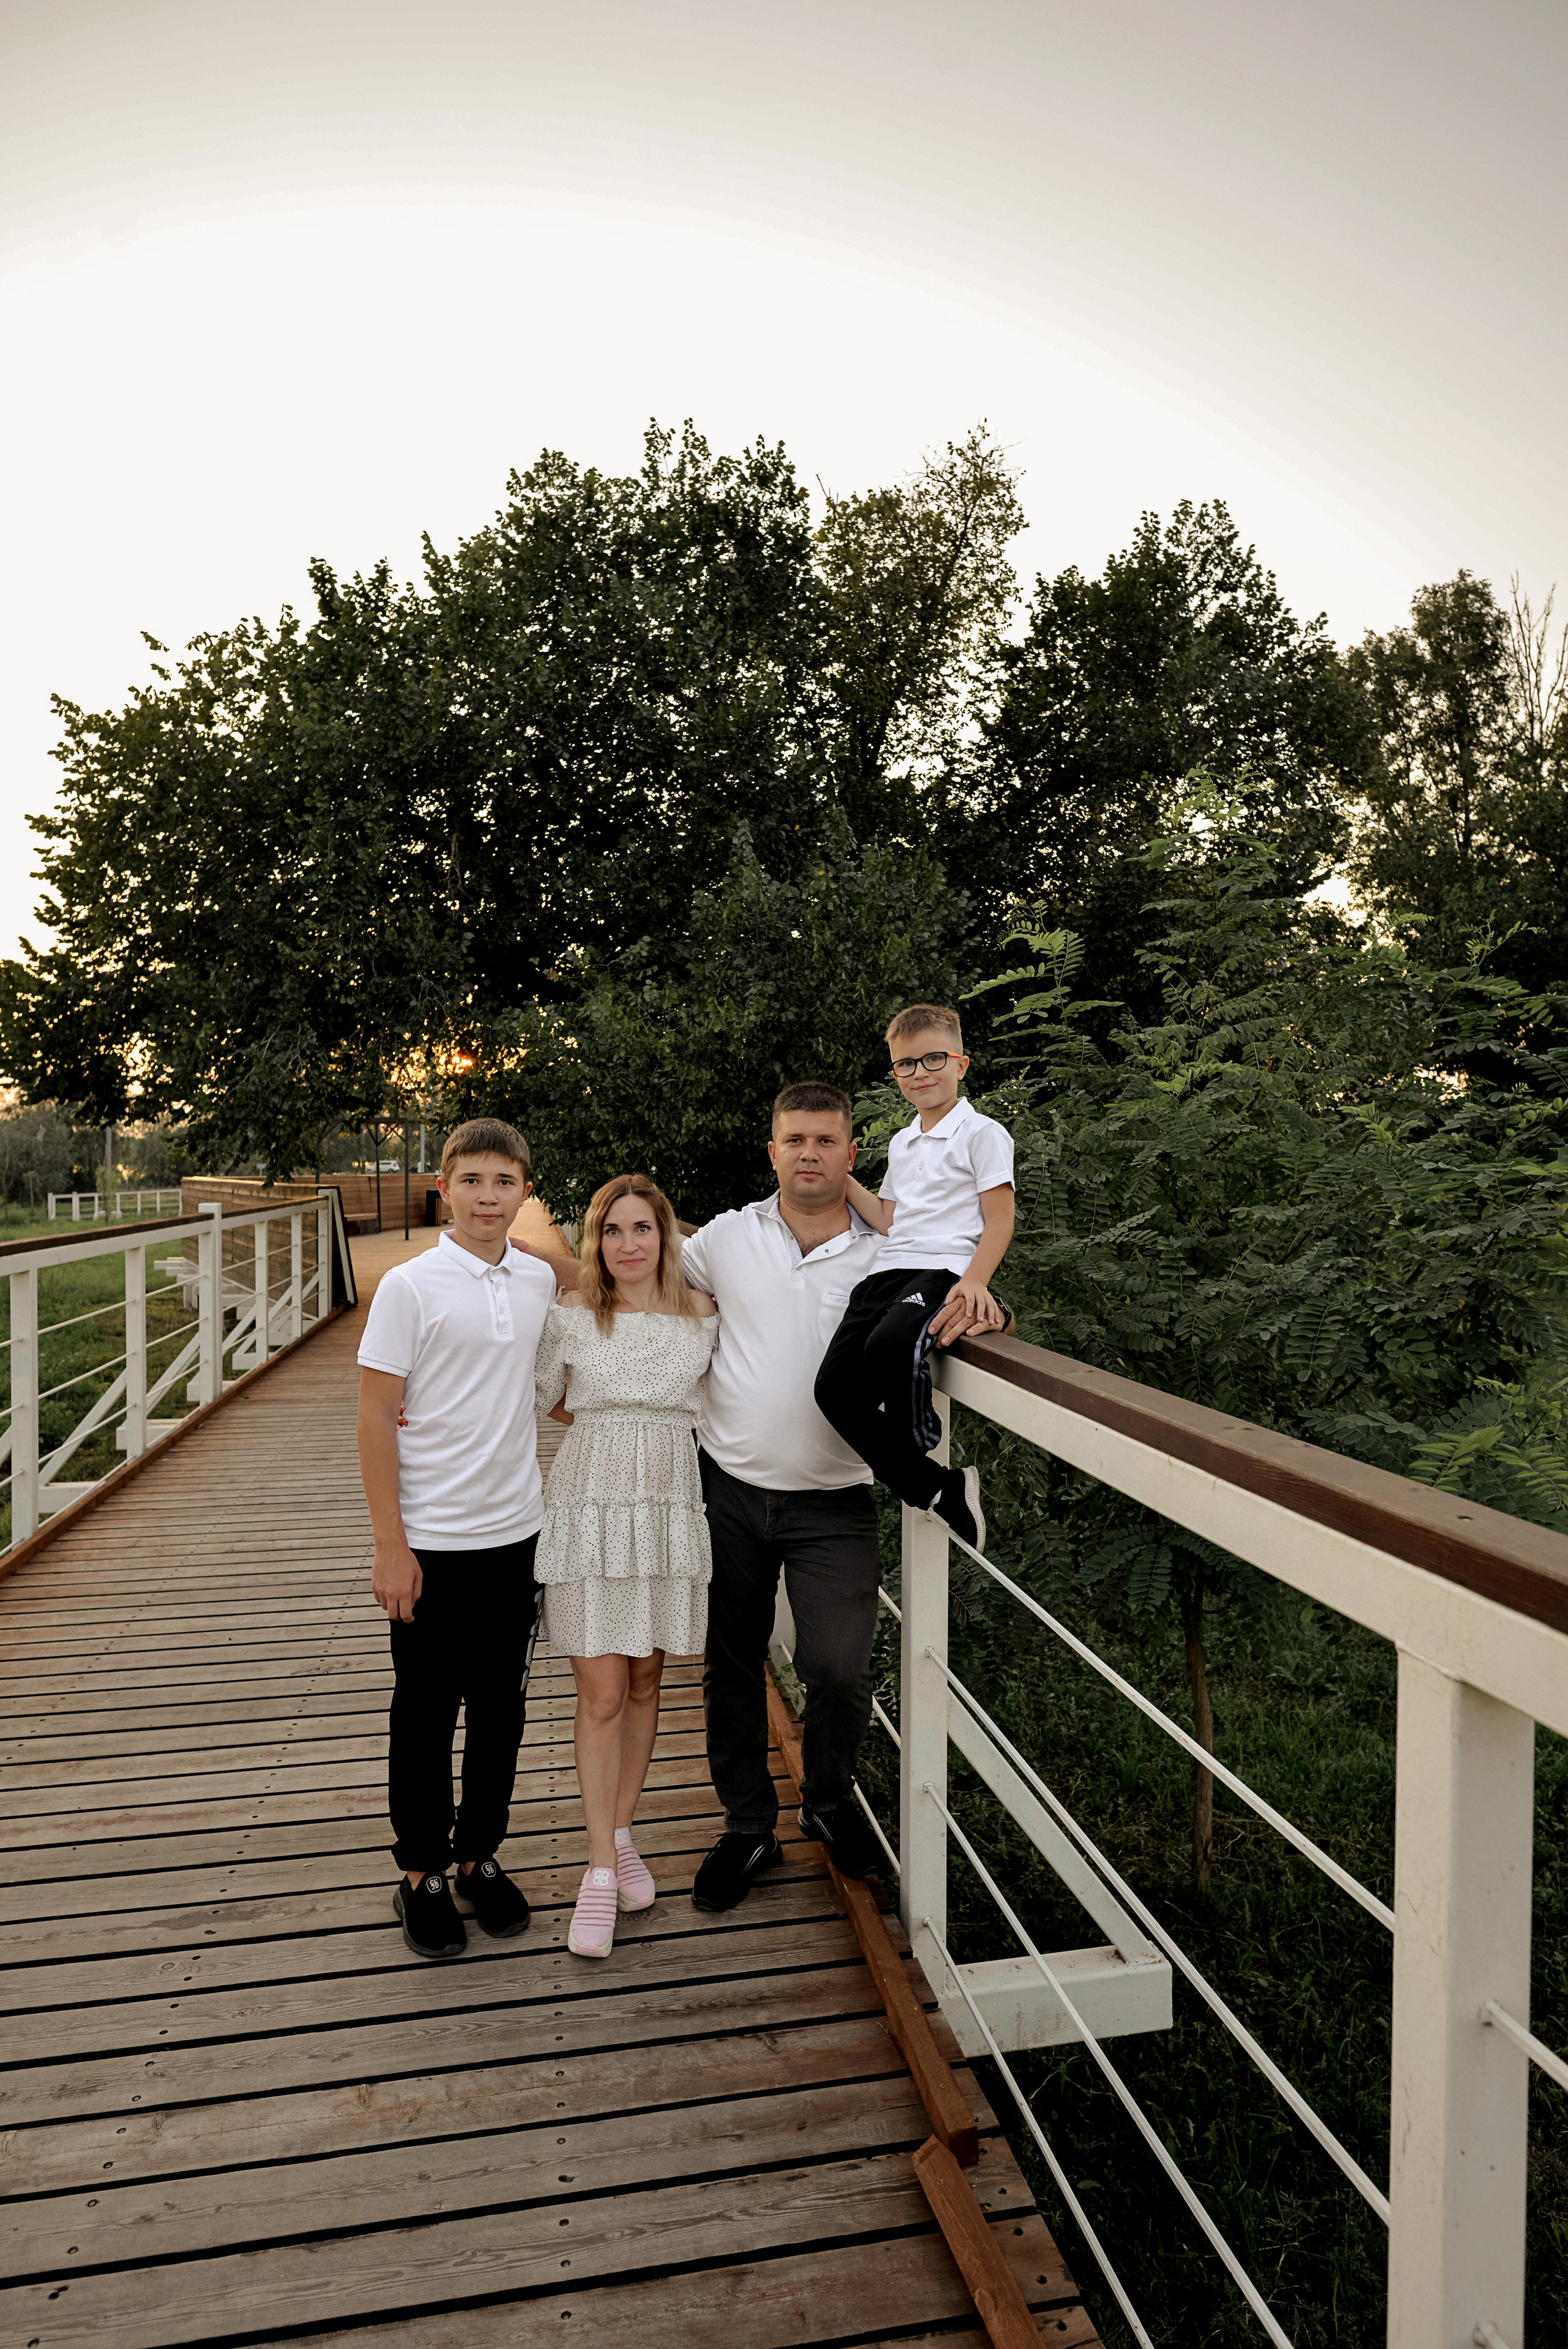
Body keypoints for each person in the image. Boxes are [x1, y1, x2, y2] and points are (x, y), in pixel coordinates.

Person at [676, 1082, 993, 1911]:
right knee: (731, 1664)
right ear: (772, 1151)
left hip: (835, 1499)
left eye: (825, 1140)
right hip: (729, 1488)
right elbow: (634, 1275)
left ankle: (824, 1800)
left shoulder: (894, 1247)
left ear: (853, 1155)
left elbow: (958, 1277)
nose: (809, 1153)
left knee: (841, 1670)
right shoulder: (725, 1238)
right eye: (794, 1139)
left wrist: (980, 1299)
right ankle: (747, 1828)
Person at [356, 1119, 558, 1962]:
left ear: (523, 1191)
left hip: (517, 1533)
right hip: (432, 1541)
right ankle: (421, 1873)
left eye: (503, 1182)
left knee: (502, 1709)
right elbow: (375, 1417)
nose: (487, 1196)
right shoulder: (410, 1287)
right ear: (444, 1187)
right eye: (471, 1180)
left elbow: (558, 1375)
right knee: (426, 1711)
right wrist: (390, 1545)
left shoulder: (538, 1278)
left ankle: (479, 1855)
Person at [533, 1174, 718, 1959]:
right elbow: (540, 1396)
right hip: (591, 1503)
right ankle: (600, 1871)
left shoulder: (701, 1313)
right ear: (596, 1240)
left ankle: (619, 1832)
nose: (628, 1244)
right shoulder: (573, 1312)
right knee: (603, 1691)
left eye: (642, 1228)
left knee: (646, 1681)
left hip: (669, 1503)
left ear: (665, 1235)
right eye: (613, 1231)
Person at [814, 1004, 1014, 1554]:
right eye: (906, 1064)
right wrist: (839, 1174)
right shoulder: (903, 1142)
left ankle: (918, 1436)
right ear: (895, 1073)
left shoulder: (982, 1133)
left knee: (890, 1346)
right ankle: (940, 1489)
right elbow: (888, 1219)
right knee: (833, 1392)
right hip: (886, 1272)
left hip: (942, 1269)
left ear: (961, 1064)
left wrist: (975, 1281)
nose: (920, 1072)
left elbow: (1000, 1218)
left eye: (933, 1059)